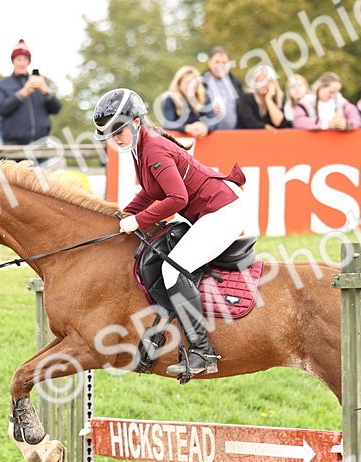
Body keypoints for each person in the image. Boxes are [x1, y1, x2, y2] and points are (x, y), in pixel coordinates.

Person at [93, 88, 249, 377]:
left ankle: (203, 351)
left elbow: (177, 199)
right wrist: (118, 216)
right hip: (211, 209)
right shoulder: (140, 149)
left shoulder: (152, 148)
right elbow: (150, 193)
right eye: (110, 133)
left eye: (119, 130)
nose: (115, 138)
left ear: (136, 122)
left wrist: (137, 221)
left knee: (172, 270)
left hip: (223, 211)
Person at [0, 39, 61, 145]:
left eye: (25, 59)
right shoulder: (2, 85)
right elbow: (1, 109)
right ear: (13, 61)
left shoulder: (40, 82)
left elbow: (56, 109)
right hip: (13, 145)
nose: (22, 63)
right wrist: (23, 93)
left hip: (40, 144)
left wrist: (45, 91)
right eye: (19, 59)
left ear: (29, 62)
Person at [291, 73, 361, 131]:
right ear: (321, 87)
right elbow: (298, 121)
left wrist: (346, 124)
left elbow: (357, 119)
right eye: (331, 92)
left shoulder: (342, 103)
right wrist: (325, 124)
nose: (333, 95)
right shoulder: (306, 103)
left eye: (336, 92)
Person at [160, 65, 214, 138]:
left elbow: (213, 120)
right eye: (187, 83)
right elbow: (168, 124)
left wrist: (205, 128)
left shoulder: (204, 98)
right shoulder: (170, 99)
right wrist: (187, 128)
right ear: (179, 84)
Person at [200, 47, 242, 131]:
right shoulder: (201, 82)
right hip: (208, 133)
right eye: (217, 62)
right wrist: (209, 111)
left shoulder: (236, 83)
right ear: (209, 63)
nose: (220, 65)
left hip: (234, 133)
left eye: (224, 62)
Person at [235, 65, 289, 129]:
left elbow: (279, 122)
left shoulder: (279, 99)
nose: (263, 84)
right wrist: (265, 127)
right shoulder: (246, 98)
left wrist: (268, 99)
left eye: (267, 81)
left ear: (273, 83)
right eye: (260, 81)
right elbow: (249, 122)